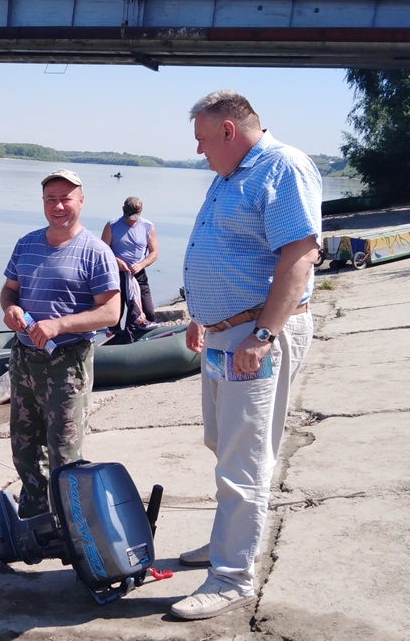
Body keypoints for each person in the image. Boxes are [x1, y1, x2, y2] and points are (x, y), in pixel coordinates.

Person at [171, 90, 321, 621]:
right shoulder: (231, 174)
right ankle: (224, 544)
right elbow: (225, 247)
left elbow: (300, 254)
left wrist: (262, 335)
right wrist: (200, 314)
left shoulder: (282, 167)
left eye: (202, 140)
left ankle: (232, 576)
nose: (199, 151)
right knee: (221, 439)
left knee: (245, 454)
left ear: (229, 132)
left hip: (253, 338)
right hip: (222, 336)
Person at [0, 168, 121, 518]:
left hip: (68, 362)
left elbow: (111, 312)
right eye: (51, 199)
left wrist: (59, 325)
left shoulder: (96, 252)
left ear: (81, 201)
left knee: (64, 452)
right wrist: (11, 309)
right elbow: (9, 290)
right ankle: (35, 516)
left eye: (66, 198)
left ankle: (72, 522)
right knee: (24, 448)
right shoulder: (26, 243)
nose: (58, 206)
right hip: (24, 359)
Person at [101, 195, 160, 339]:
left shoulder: (147, 226)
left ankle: (143, 338)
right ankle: (113, 338)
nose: (131, 219)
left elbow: (154, 252)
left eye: (134, 216)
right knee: (116, 312)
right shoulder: (112, 225)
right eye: (128, 216)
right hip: (116, 274)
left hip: (138, 275)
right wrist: (116, 262)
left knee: (149, 312)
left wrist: (141, 264)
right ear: (122, 210)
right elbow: (102, 251)